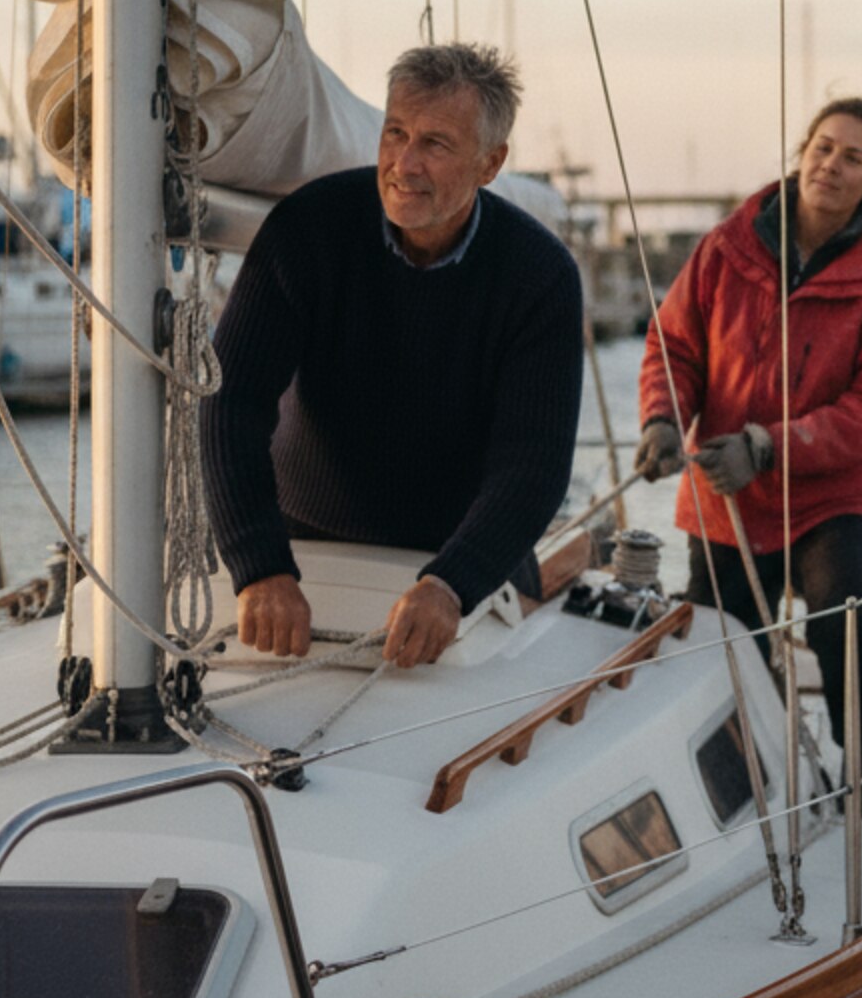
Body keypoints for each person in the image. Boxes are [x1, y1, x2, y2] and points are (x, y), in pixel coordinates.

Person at [202, 42, 584, 670]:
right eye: (395, 133)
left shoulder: (538, 276)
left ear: (491, 164)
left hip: (463, 561)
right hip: (305, 544)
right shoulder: (308, 231)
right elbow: (232, 401)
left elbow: (534, 464)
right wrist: (259, 564)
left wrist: (451, 583)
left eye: (435, 143)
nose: (404, 164)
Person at [636, 99, 862, 821]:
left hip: (834, 496)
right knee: (720, 639)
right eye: (823, 148)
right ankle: (743, 776)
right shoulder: (726, 247)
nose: (831, 165)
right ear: (802, 153)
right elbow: (675, 345)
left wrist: (769, 445)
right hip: (727, 494)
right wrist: (664, 418)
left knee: (844, 614)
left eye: (852, 157)